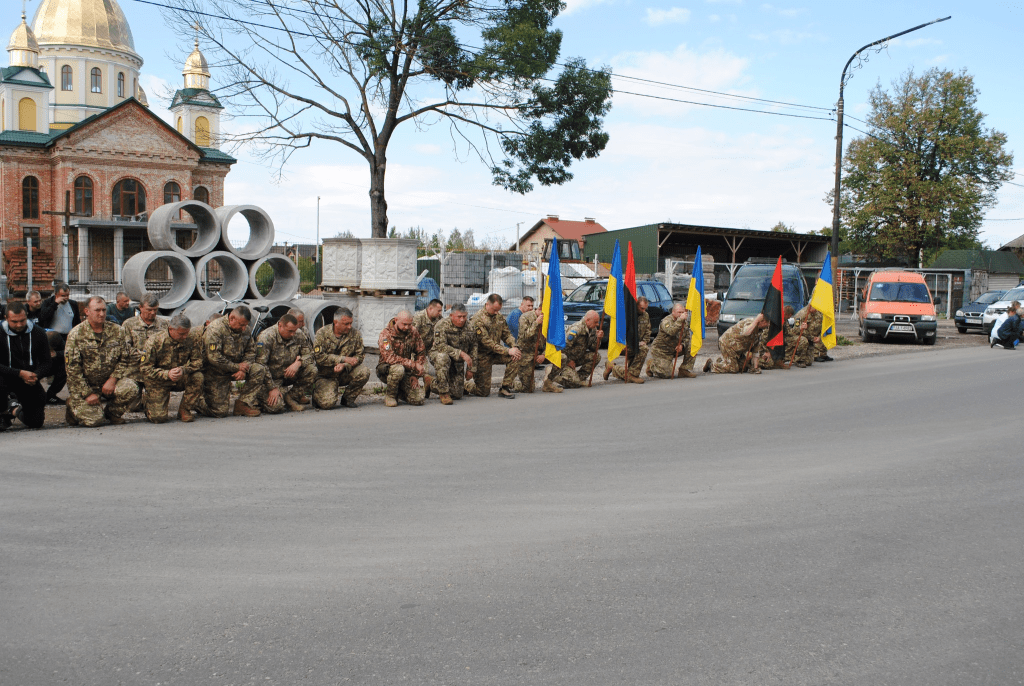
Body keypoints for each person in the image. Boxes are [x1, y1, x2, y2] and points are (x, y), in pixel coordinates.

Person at [64, 296, 140, 427]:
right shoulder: (76, 334)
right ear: (87, 311)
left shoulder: (117, 331)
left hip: (108, 383)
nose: (102, 314)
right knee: (95, 421)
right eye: (97, 310)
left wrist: (113, 379)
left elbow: (125, 358)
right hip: (85, 386)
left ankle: (112, 414)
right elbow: (72, 369)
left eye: (104, 310)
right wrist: (87, 393)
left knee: (131, 388)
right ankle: (72, 406)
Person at [202, 305, 268, 417]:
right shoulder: (215, 329)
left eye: (246, 325)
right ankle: (197, 402)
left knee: (258, 369)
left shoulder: (245, 330)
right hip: (216, 372)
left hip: (237, 369)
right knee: (219, 412)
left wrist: (244, 367)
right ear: (232, 318)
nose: (244, 328)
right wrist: (237, 367)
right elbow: (214, 357)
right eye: (241, 325)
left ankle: (243, 404)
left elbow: (251, 351)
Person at [140, 313, 207, 423]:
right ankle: (147, 402)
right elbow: (145, 369)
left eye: (186, 333)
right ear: (171, 329)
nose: (184, 337)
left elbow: (198, 362)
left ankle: (185, 409)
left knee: (197, 377)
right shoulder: (154, 341)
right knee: (158, 418)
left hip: (180, 376)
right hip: (159, 380)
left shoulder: (191, 338)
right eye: (181, 334)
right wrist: (167, 374)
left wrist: (183, 369)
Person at [0, 301, 52, 430]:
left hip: (28, 380)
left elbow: (47, 362)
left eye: (22, 320)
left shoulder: (38, 333)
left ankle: (14, 409)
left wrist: (37, 375)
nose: (19, 325)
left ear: (27, 315)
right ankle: (3, 411)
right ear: (6, 318)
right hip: (4, 379)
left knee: (36, 423)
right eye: (14, 321)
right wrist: (19, 373)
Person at [255, 313, 318, 413]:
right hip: (270, 379)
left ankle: (290, 397)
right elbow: (260, 365)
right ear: (280, 326)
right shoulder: (266, 337)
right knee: (276, 407)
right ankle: (261, 398)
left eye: (294, 330)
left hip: (289, 375)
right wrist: (272, 388)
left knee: (312, 370)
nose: (293, 334)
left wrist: (299, 363)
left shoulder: (298, 334)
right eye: (290, 331)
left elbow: (310, 354)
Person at [312, 307, 370, 409]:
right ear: (335, 322)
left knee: (364, 371)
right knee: (327, 404)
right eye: (346, 324)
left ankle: (348, 398)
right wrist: (343, 359)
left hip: (344, 372)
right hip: (326, 375)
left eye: (350, 323)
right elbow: (319, 357)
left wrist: (344, 364)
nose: (349, 327)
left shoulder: (355, 334)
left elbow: (359, 356)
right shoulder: (322, 333)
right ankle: (317, 395)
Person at [468, 293, 521, 399]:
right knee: (483, 392)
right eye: (494, 310)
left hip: (496, 353)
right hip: (482, 356)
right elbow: (487, 342)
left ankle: (505, 388)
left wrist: (514, 346)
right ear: (487, 304)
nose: (497, 312)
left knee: (516, 356)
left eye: (498, 310)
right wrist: (508, 350)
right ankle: (465, 386)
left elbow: (506, 334)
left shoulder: (498, 316)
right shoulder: (477, 320)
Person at [37, 283, 81, 405]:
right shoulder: (48, 303)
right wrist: (55, 303)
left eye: (67, 295)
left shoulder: (72, 304)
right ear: (56, 294)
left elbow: (77, 322)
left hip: (67, 337)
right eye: (63, 295)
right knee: (51, 363)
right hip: (51, 338)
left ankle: (51, 394)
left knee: (66, 364)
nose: (65, 298)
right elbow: (43, 317)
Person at [121, 293, 168, 406]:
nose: (152, 313)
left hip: (155, 371)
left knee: (157, 411)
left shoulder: (164, 324)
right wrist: (144, 356)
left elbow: (168, 346)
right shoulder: (129, 324)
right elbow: (125, 347)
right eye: (149, 309)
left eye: (155, 310)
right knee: (132, 406)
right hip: (134, 371)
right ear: (141, 307)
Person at [377, 310, 426, 407]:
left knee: (418, 400)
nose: (407, 327)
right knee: (399, 369)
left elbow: (421, 351)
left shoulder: (413, 331)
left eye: (409, 324)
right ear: (396, 320)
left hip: (406, 371)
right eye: (404, 324)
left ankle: (400, 392)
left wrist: (415, 375)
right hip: (387, 370)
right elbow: (389, 357)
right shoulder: (385, 335)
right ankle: (390, 395)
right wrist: (413, 364)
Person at [430, 304, 476, 405]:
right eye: (459, 317)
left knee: (457, 394)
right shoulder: (441, 325)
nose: (462, 319)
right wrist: (461, 353)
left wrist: (471, 369)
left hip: (457, 361)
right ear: (451, 316)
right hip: (439, 355)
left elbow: (474, 347)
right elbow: (440, 346)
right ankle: (443, 393)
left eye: (464, 316)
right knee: (443, 357)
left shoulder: (470, 327)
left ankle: (430, 383)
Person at [545, 309, 603, 391]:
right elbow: (562, 347)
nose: (597, 324)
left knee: (595, 356)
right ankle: (552, 374)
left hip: (577, 358)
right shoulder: (576, 329)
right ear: (588, 320)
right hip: (566, 360)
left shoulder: (592, 329)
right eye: (595, 322)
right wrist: (569, 361)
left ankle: (581, 378)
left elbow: (593, 348)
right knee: (574, 384)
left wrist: (598, 339)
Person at [604, 295, 651, 383]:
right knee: (644, 349)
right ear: (636, 305)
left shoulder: (645, 315)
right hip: (622, 346)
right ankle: (632, 375)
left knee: (643, 347)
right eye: (642, 308)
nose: (644, 311)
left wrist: (645, 341)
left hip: (636, 345)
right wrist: (625, 343)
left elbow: (648, 331)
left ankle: (613, 368)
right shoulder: (626, 315)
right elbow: (617, 331)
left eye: (645, 308)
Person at [704, 313, 771, 374]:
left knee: (744, 367)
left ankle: (723, 362)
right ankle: (712, 365)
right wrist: (756, 321)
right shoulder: (750, 322)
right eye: (767, 323)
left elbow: (755, 351)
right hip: (728, 344)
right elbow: (746, 333)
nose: (768, 325)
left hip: (739, 349)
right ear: (762, 321)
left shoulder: (760, 331)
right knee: (733, 369)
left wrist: (755, 368)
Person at [646, 304, 698, 379]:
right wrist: (680, 320)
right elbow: (671, 331)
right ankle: (652, 366)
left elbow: (687, 337)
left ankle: (684, 370)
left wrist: (682, 345)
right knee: (667, 374)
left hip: (675, 349)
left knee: (693, 346)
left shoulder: (684, 323)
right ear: (673, 312)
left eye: (682, 312)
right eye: (679, 312)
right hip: (662, 351)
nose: (681, 314)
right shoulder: (666, 321)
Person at [511, 304, 546, 393]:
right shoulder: (525, 317)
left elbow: (552, 341)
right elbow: (525, 336)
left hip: (541, 353)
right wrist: (536, 323)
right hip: (527, 354)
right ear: (540, 309)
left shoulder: (549, 319)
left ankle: (549, 382)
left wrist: (544, 354)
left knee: (562, 357)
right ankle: (510, 383)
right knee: (528, 388)